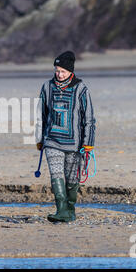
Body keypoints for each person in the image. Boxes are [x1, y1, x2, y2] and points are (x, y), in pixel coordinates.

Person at [35, 51, 96, 223]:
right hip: (52, 140)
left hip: (75, 144)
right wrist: (39, 139)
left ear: (70, 71)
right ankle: (61, 209)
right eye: (56, 70)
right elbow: (40, 115)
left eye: (62, 71)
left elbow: (89, 119)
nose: (58, 74)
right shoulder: (47, 87)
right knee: (56, 175)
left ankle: (70, 210)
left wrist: (88, 144)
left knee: (72, 179)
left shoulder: (81, 89)